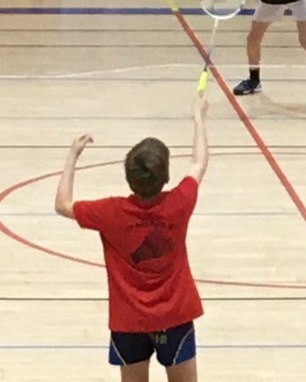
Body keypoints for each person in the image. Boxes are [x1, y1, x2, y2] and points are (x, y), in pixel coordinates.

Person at [54, 94, 210, 382]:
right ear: (165, 177)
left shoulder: (110, 212)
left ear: (129, 177)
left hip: (129, 322)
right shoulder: (179, 202)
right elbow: (199, 163)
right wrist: (198, 118)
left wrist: (73, 155)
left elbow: (62, 204)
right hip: (175, 317)